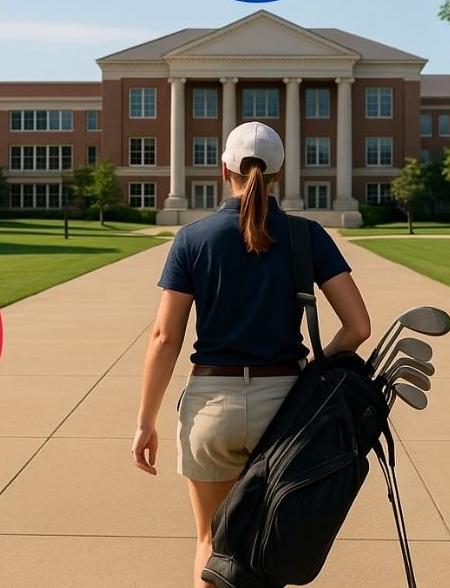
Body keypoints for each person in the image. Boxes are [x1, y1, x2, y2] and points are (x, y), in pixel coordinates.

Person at [131, 120, 373, 588]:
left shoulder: (192, 238)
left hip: (210, 407)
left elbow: (164, 336)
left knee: (211, 543)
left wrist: (146, 420)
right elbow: (358, 326)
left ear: (225, 170)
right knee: (270, 548)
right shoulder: (309, 236)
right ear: (279, 174)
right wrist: (313, 374)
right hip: (285, 410)